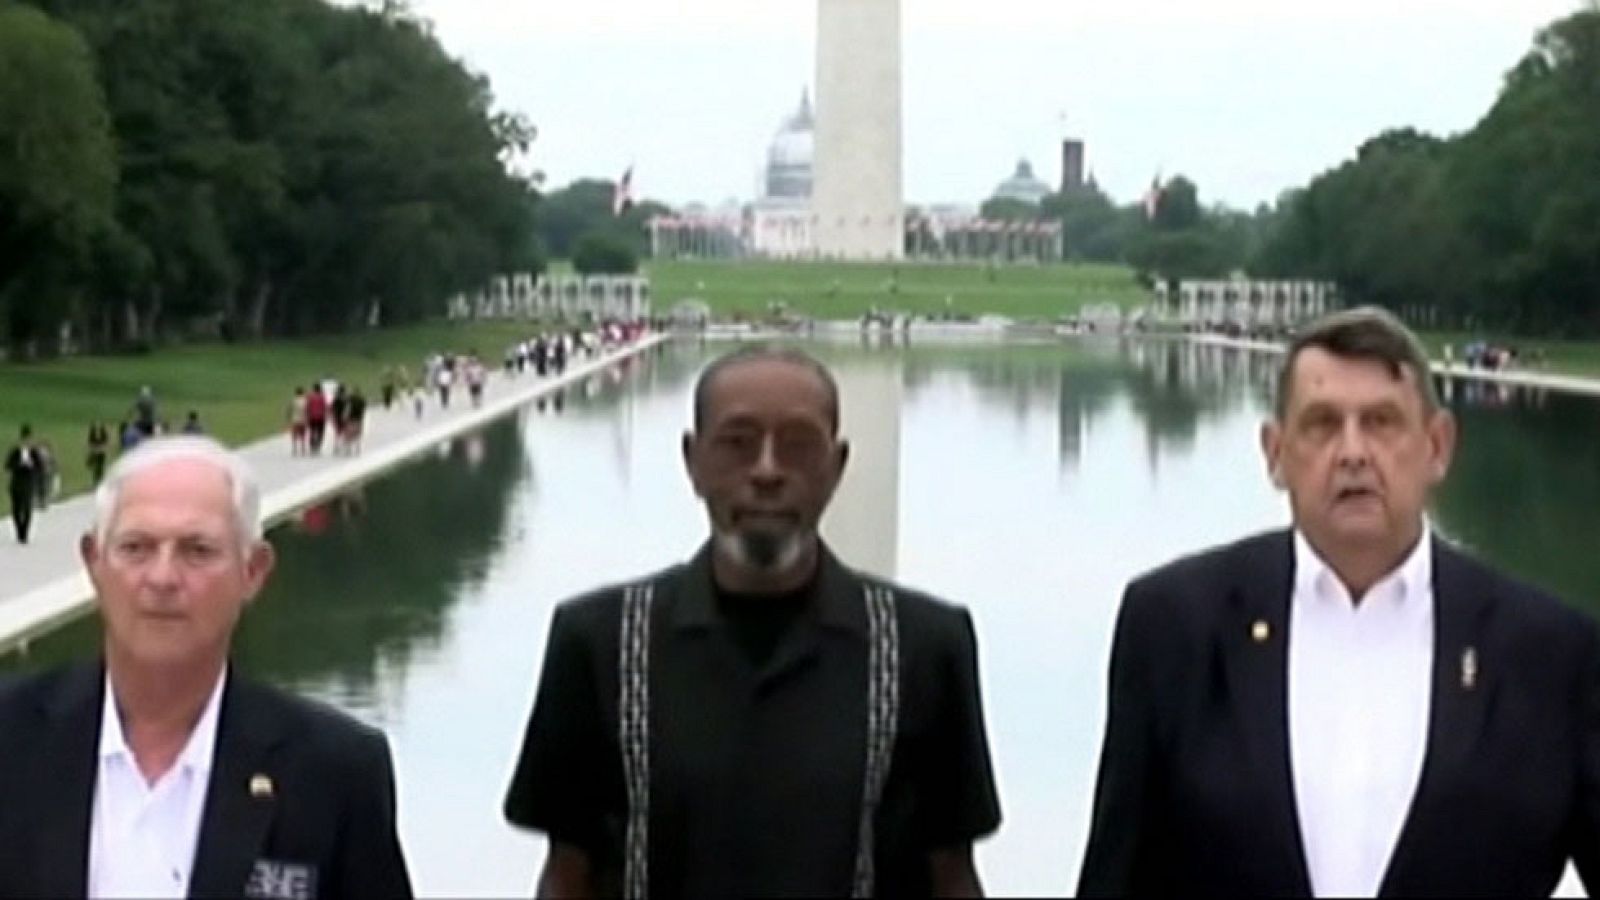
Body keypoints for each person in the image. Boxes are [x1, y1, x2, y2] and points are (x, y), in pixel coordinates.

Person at [1078, 307, 1600, 897]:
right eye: (1322, 425)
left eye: (1381, 422)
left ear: (1438, 446)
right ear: (1275, 453)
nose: (1353, 453)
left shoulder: (1553, 653)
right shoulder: (1174, 625)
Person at [504, 345, 1002, 898]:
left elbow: (952, 873)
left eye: (797, 446)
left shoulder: (925, 648)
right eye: (738, 444)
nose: (767, 471)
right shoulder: (598, 643)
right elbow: (568, 870)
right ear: (693, 462)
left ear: (836, 468)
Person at [0, 436, 414, 897]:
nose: (162, 578)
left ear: (252, 571)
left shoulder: (334, 772)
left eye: (197, 550)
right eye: (136, 547)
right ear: (95, 564)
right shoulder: (9, 737)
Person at [5, 424, 39, 544]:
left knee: (27, 508)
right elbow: (7, 466)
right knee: (16, 509)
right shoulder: (15, 452)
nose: (27, 442)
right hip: (16, 483)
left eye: (28, 439)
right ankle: (19, 531)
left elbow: (40, 467)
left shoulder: (34, 453)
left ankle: (25, 533)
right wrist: (19, 464)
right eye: (24, 439)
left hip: (28, 483)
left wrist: (31, 465)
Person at [86, 421, 110, 486]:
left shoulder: (102, 433)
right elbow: (90, 443)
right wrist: (95, 450)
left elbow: (105, 443)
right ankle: (96, 481)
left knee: (100, 467)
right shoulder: (93, 433)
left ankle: (99, 480)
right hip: (96, 453)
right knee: (96, 468)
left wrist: (100, 449)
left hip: (100, 453)